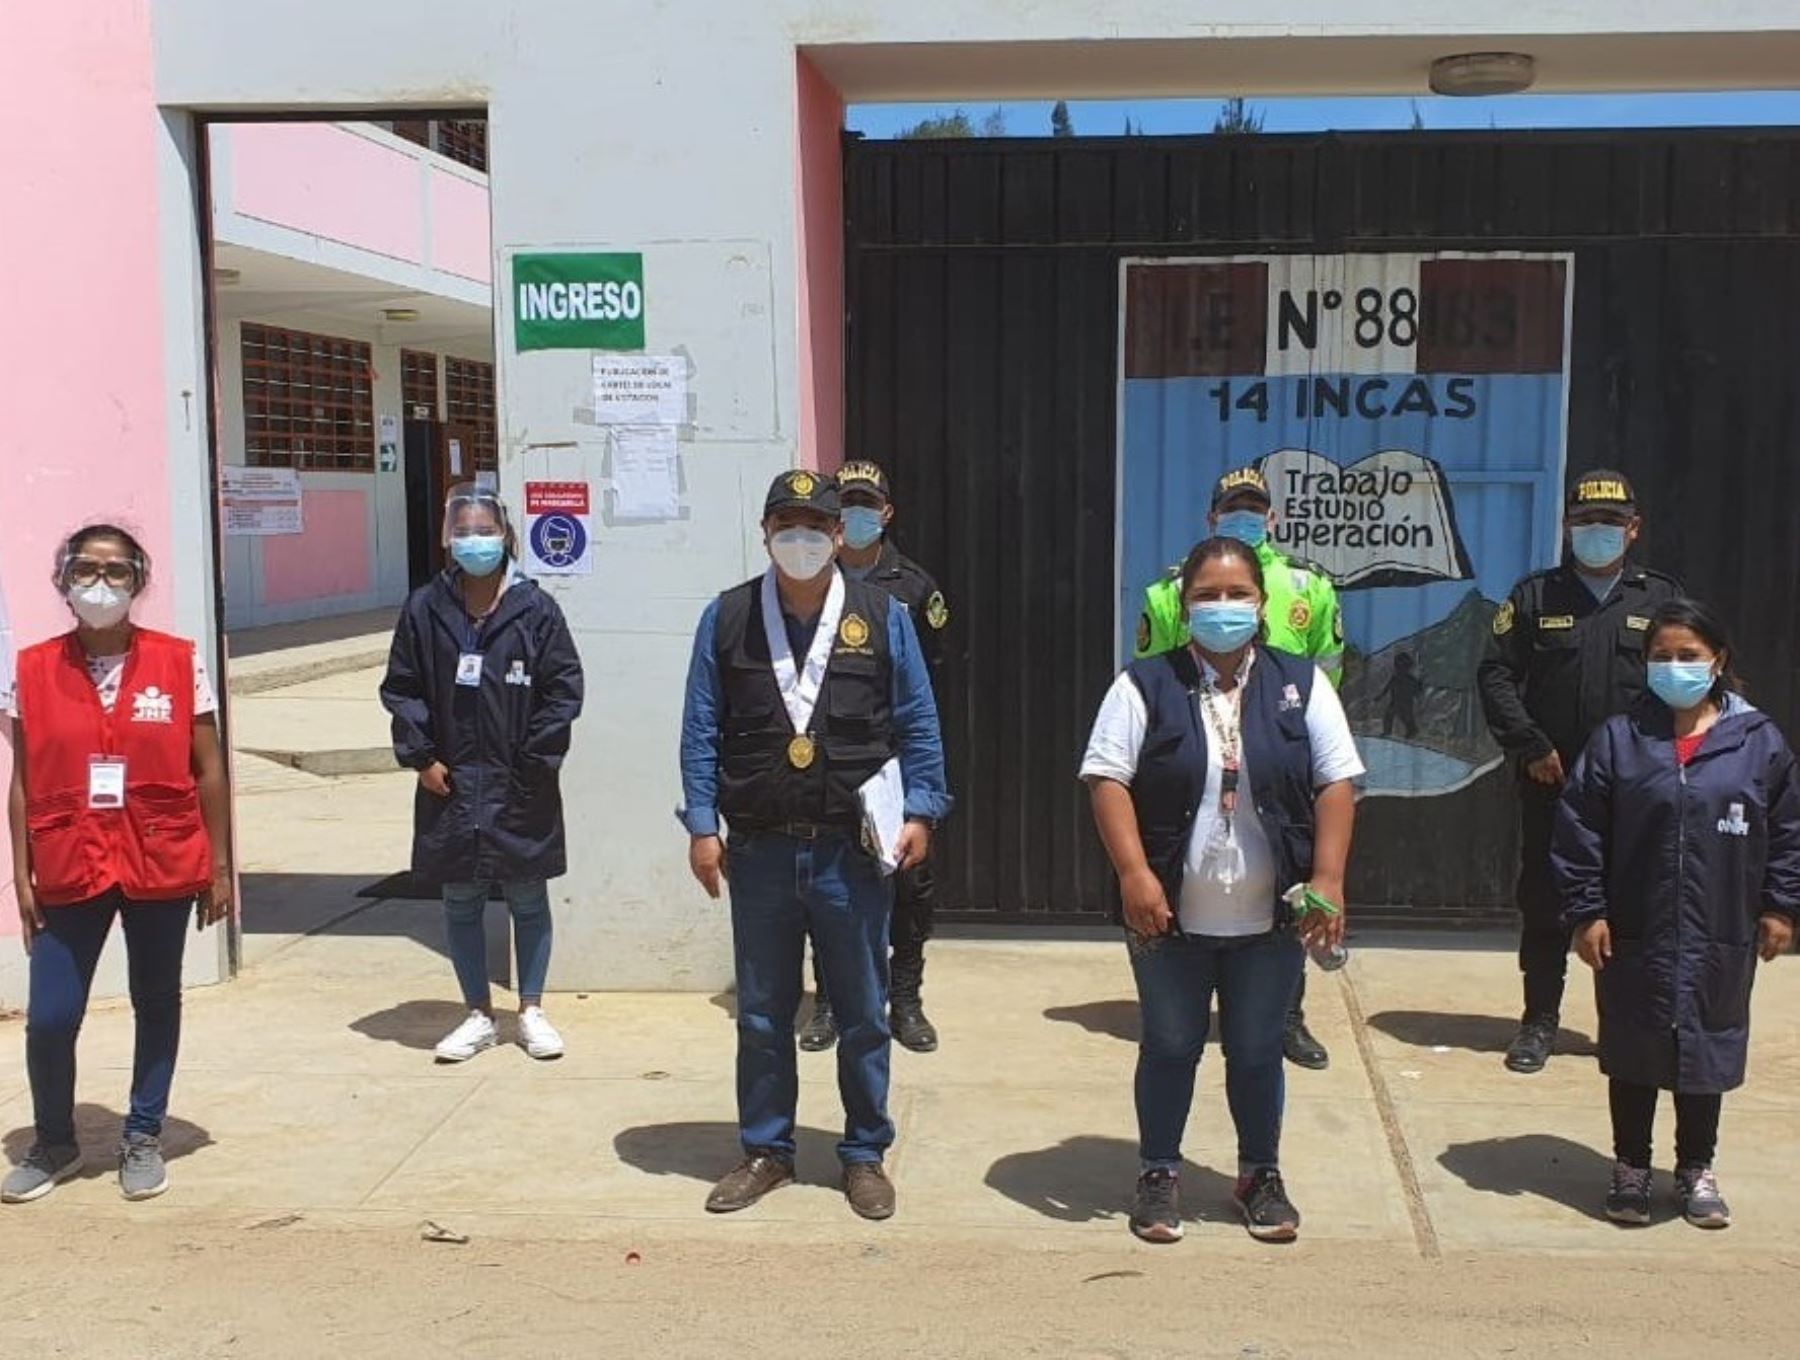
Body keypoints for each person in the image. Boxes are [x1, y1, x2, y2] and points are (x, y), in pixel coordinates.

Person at [678, 469, 951, 1221]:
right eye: (785, 526)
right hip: (759, 850)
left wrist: (923, 810)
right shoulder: (728, 617)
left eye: (814, 526)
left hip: (850, 852)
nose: (800, 539)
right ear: (765, 533)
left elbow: (918, 719)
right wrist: (701, 825)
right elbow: (701, 726)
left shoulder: (883, 616)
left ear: (837, 535)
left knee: (863, 1012)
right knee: (763, 1014)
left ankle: (864, 1154)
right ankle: (766, 1151)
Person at [1082, 536, 1363, 1244]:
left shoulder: (1301, 683)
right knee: (1171, 1044)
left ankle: (1259, 1175)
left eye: (1238, 594)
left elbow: (1336, 781)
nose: (1223, 606)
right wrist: (1134, 873)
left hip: (1270, 918)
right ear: (1185, 607)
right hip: (1169, 916)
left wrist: (1328, 879)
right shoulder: (1144, 684)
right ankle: (1158, 1173)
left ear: (1262, 604)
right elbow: (1107, 779)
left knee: (1258, 1048)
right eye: (1207, 595)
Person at [3, 525, 232, 1204]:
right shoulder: (32, 668)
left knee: (156, 999)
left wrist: (220, 867)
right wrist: (21, 874)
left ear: (138, 581)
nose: (100, 583)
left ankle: (142, 1134)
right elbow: (23, 778)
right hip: (68, 858)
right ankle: (55, 1142)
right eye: (86, 569)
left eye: (116, 571)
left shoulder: (179, 661)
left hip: (161, 856)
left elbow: (209, 769)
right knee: (51, 1015)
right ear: (63, 579)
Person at [1553, 599, 1798, 1227]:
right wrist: (1587, 911)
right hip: (1636, 926)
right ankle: (1631, 1168)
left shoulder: (1758, 742)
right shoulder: (1620, 739)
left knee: (1707, 1045)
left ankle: (1695, 1168)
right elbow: (1581, 829)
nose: (1674, 666)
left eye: (1688, 655)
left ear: (1718, 660)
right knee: (1634, 1043)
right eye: (1661, 656)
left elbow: (1787, 830)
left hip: (1722, 926)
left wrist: (1781, 905)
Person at [1136, 465, 1344, 1072]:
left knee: (1289, 883)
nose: (1244, 517)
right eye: (1232, 508)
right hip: (1200, 752)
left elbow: (1330, 666)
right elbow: (1155, 682)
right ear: (1212, 518)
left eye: (1254, 508)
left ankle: (1287, 1015)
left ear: (1272, 517)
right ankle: (1190, 1010)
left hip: (1283, 752)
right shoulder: (1169, 591)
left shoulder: (1308, 586)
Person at [1478, 469, 1682, 1075]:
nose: (1599, 531)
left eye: (1611, 522)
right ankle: (1539, 1021)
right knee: (1546, 901)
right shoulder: (1536, 596)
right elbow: (1496, 675)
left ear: (1633, 529)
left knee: (1630, 905)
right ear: (1568, 527)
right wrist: (1530, 745)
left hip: (1636, 787)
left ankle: (1620, 1024)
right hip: (1554, 781)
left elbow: (1684, 677)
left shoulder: (1660, 599)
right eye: (1587, 521)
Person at [380, 484, 585, 1064]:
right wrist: (421, 756)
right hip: (449, 780)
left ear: (506, 535)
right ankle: (478, 1013)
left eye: (485, 530)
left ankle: (531, 1010)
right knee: (461, 897)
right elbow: (402, 687)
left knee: (527, 893)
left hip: (519, 781)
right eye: (464, 531)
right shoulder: (426, 608)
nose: (475, 541)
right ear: (449, 538)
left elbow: (563, 690)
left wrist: (535, 761)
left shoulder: (536, 609)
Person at [800, 459, 951, 1055]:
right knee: (826, 881)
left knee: (909, 883)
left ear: (886, 512)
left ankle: (905, 1000)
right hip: (828, 756)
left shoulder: (914, 588)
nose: (856, 514)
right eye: (847, 503)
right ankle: (829, 1001)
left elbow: (929, 683)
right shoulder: (810, 577)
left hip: (892, 760)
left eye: (867, 503)